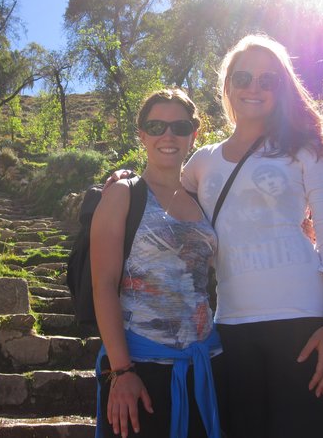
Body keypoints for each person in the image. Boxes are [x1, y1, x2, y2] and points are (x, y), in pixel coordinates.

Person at [108, 34, 323, 438]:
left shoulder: (309, 149)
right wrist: (120, 181)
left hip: (303, 323)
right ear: (227, 86)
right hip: (230, 332)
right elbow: (160, 194)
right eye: (243, 77)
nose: (253, 88)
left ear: (282, 88)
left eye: (267, 80)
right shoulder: (203, 162)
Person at [91, 88, 222, 438]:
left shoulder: (201, 198)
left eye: (179, 127)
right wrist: (121, 372)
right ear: (142, 135)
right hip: (138, 370)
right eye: (156, 125)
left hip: (205, 365)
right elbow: (102, 285)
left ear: (193, 135)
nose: (168, 135)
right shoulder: (123, 193)